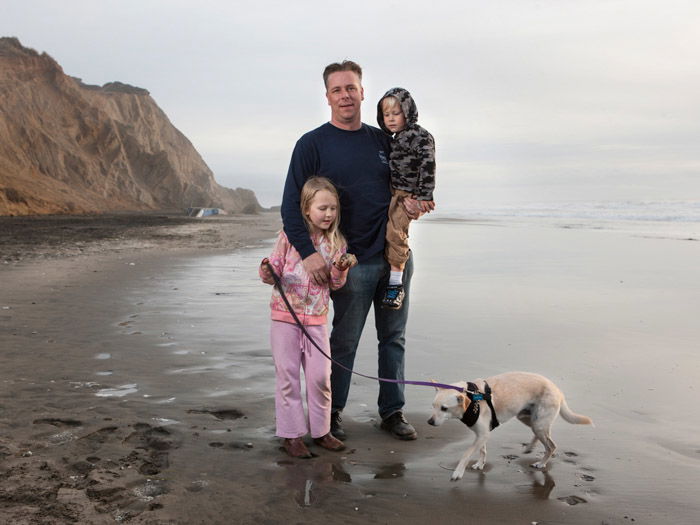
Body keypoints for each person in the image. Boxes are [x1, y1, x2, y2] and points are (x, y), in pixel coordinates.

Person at [280, 60, 425, 441]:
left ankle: (392, 412)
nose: (345, 95)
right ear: (327, 97)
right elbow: (289, 206)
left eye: (351, 88)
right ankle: (334, 413)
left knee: (394, 337)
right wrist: (309, 255)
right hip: (348, 263)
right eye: (337, 89)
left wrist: (414, 203)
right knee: (343, 340)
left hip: (394, 260)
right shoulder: (312, 144)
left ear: (363, 92)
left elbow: (405, 186)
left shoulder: (383, 141)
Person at [259, 176, 357, 458]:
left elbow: (336, 285)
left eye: (333, 209)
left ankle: (322, 431)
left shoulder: (337, 242)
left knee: (320, 378)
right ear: (306, 210)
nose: (328, 214)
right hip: (285, 319)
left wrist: (340, 269)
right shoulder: (289, 237)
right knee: (288, 377)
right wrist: (266, 271)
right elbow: (272, 270)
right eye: (322, 208)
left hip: (316, 320)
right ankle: (291, 435)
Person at [377, 87, 436, 309]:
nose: (391, 119)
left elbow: (428, 165)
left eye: (396, 113)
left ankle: (395, 285)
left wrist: (423, 196)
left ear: (408, 112)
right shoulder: (394, 138)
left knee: (396, 232)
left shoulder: (420, 136)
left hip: (408, 194)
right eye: (386, 114)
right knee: (390, 229)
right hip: (395, 191)